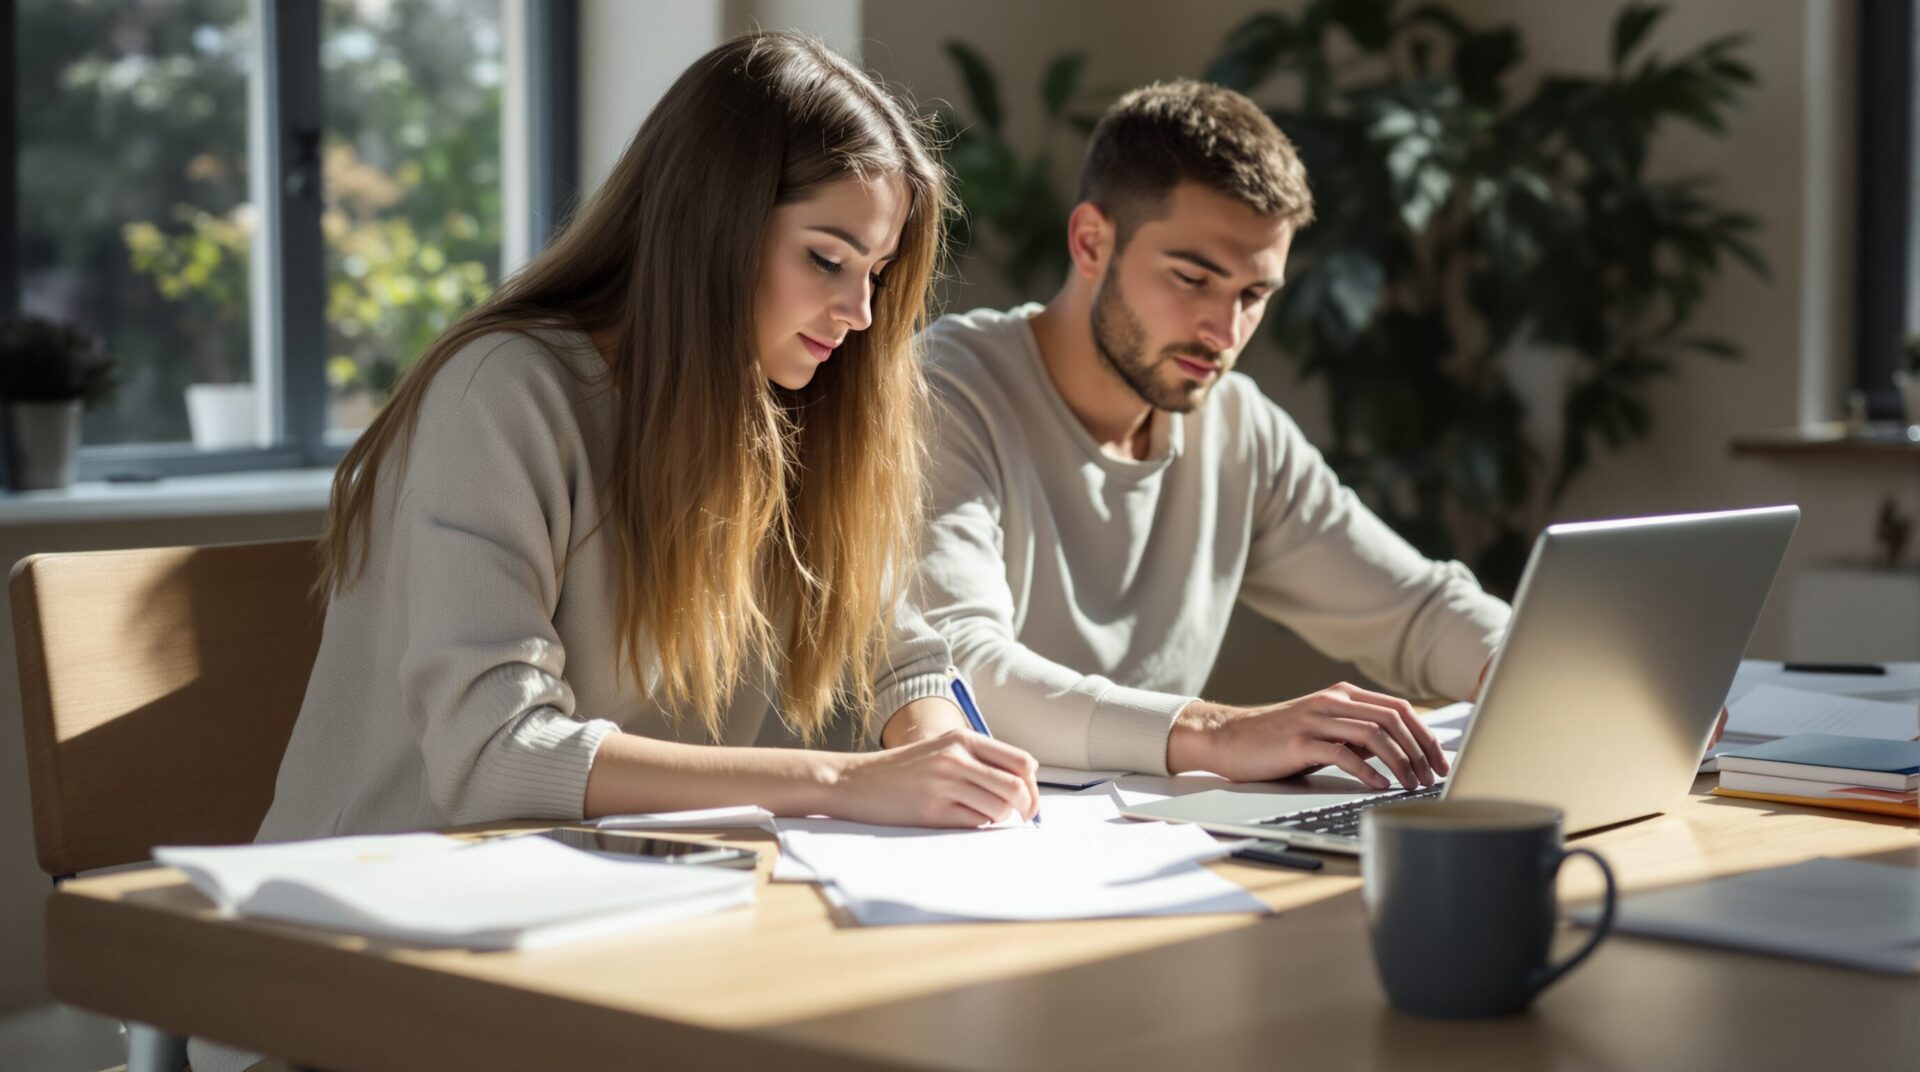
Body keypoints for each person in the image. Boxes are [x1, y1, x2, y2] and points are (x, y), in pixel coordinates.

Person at [877, 80, 1515, 792]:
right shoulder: (944, 393)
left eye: (1253, 296)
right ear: (1091, 241)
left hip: (1152, 845)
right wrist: (1221, 733)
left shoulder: (1237, 428)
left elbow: (1416, 613)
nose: (1225, 332)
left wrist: (1546, 672)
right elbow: (956, 671)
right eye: (1192, 279)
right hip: (952, 851)